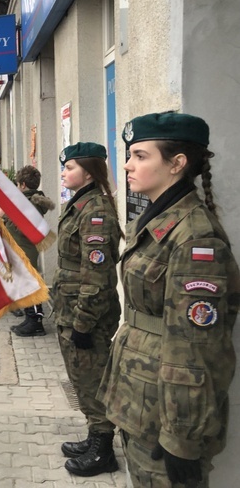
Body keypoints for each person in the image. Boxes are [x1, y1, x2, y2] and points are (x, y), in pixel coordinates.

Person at [99, 112, 239, 487]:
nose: (128, 165)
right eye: (131, 155)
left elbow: (195, 348)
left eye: (141, 156)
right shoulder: (157, 219)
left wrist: (181, 438)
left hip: (167, 417)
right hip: (142, 403)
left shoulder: (195, 239)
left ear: (177, 164)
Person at [54, 142, 123, 477]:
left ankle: (103, 449)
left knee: (93, 380)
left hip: (87, 317)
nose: (64, 173)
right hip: (71, 311)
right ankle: (94, 435)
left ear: (89, 171)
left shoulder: (95, 212)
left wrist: (83, 323)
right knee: (82, 379)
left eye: (69, 167)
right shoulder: (81, 204)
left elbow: (97, 277)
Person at [0, 165, 56, 337]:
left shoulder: (24, 203)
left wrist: (5, 212)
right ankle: (30, 319)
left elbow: (14, 222)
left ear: (23, 185)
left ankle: (35, 322)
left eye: (18, 185)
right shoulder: (32, 201)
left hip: (24, 251)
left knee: (29, 285)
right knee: (27, 284)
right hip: (24, 249)